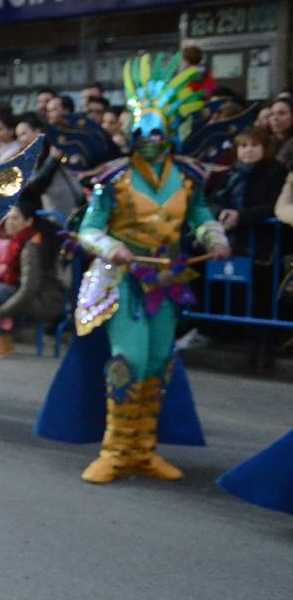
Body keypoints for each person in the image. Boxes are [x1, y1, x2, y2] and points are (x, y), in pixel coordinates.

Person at [62, 53, 231, 484]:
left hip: (169, 280)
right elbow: (88, 229)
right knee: (129, 359)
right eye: (144, 130)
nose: (151, 138)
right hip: (122, 280)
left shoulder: (188, 176)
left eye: (159, 130)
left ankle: (143, 448)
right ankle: (114, 450)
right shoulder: (114, 177)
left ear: (171, 131)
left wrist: (215, 237)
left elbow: (200, 215)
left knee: (159, 361)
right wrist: (111, 246)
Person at [210, 127, 289, 374]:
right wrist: (220, 213)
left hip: (265, 246)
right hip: (236, 244)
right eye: (243, 146)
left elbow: (273, 207)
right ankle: (243, 341)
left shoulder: (275, 172)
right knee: (241, 295)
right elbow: (213, 200)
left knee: (263, 298)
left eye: (254, 145)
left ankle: (263, 349)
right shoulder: (231, 174)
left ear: (265, 148)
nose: (248, 151)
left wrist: (241, 216)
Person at [0, 197, 65, 359]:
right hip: (39, 296)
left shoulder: (31, 246)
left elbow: (30, 288)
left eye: (15, 218)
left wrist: (1, 311)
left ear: (28, 222)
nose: (9, 222)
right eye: (8, 217)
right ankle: (2, 341)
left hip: (43, 301)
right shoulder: (21, 240)